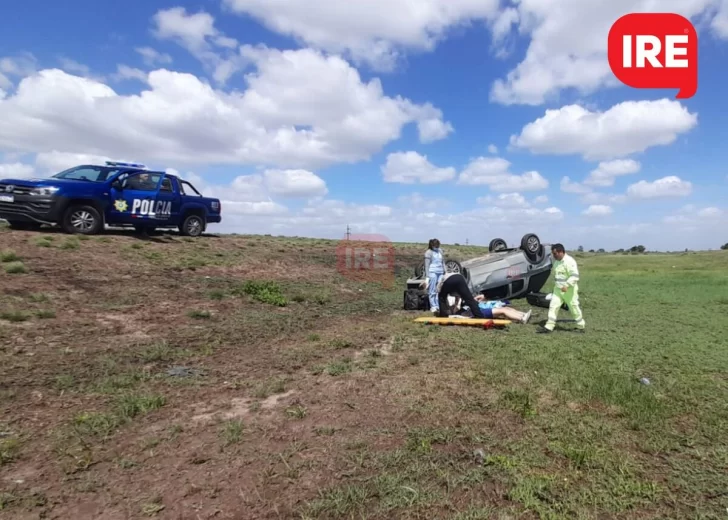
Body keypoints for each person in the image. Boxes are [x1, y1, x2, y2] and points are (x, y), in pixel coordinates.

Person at [537, 243, 585, 333]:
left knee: (574, 307)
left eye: (555, 254)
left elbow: (575, 276)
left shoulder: (570, 261)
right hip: (557, 290)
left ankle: (580, 326)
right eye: (553, 254)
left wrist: (567, 285)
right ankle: (549, 327)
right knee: (553, 307)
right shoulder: (556, 262)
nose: (554, 256)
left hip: (569, 290)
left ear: (561, 252)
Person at [423, 238, 446, 314]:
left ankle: (438, 305)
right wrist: (427, 276)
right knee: (432, 290)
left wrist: (445, 271)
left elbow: (443, 262)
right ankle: (433, 306)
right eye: (435, 245)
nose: (437, 247)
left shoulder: (440, 251)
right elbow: (426, 265)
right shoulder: (428, 252)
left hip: (440, 272)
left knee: (439, 289)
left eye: (438, 245)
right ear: (432, 245)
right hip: (432, 272)